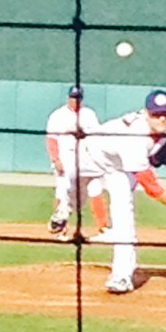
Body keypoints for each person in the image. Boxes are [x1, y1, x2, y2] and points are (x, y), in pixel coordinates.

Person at [80, 89, 166, 294]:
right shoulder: (135, 140)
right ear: (145, 113)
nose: (162, 118)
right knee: (69, 190)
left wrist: (159, 153)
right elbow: (152, 188)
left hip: (118, 168)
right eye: (155, 114)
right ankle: (61, 215)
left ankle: (121, 276)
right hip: (89, 154)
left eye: (165, 114)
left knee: (124, 213)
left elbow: (156, 147)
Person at [45, 85, 108, 240]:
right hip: (66, 159)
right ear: (68, 97)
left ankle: (103, 228)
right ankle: (61, 230)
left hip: (87, 159)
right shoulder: (58, 115)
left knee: (95, 190)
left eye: (78, 98)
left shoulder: (89, 114)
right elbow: (52, 139)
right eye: (73, 97)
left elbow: (96, 138)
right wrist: (55, 159)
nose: (75, 100)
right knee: (63, 192)